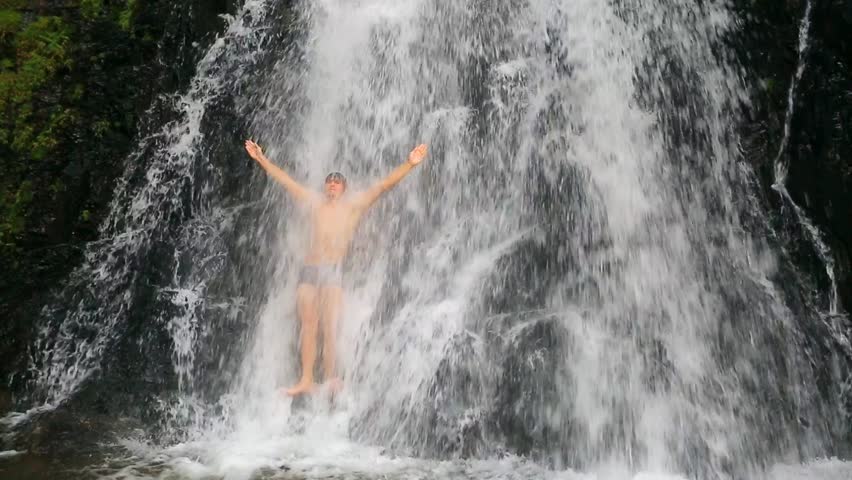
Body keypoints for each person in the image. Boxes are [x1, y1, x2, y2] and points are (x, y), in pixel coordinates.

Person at [244, 139, 428, 396]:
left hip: (332, 270)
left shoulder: (353, 206)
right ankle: (306, 379)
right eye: (329, 180)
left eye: (337, 180)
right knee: (308, 324)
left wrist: (410, 164)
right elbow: (286, 181)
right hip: (309, 270)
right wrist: (261, 159)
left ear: (344, 188)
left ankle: (331, 377)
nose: (332, 183)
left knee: (330, 325)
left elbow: (384, 185)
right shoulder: (313, 202)